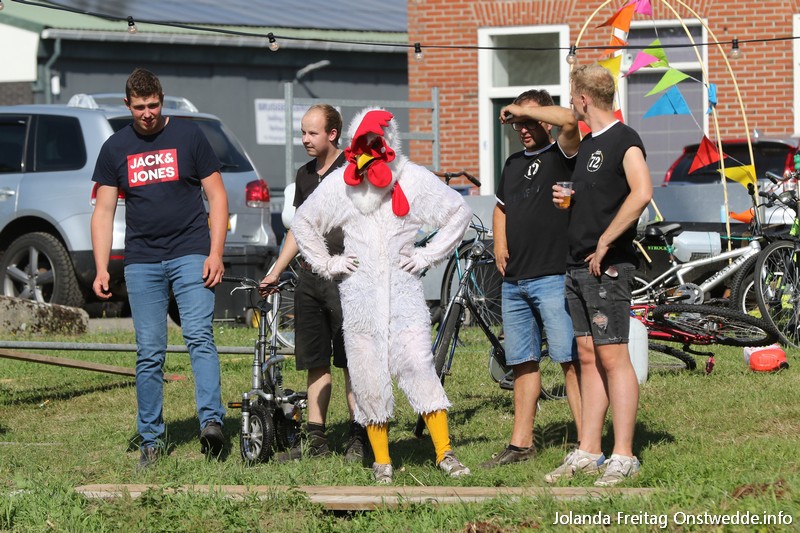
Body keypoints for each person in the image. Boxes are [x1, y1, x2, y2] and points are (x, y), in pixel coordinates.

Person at [290, 108, 472, 484]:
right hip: (359, 299)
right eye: (364, 142)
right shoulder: (342, 183)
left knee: (419, 366)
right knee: (368, 376)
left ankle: (444, 452)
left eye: (377, 141)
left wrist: (427, 255)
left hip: (404, 295)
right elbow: (303, 221)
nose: (371, 149)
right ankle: (382, 461)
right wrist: (328, 263)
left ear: (389, 142)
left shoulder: (411, 178)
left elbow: (458, 211)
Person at [91, 68, 228, 468]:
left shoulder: (189, 136)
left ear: (162, 99)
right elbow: (103, 212)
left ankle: (212, 424)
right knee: (150, 352)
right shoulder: (115, 147)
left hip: (191, 251)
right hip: (142, 260)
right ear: (127, 105)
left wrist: (215, 253)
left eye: (153, 105)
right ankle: (150, 440)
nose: (148, 113)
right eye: (140, 107)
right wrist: (102, 267)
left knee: (199, 336)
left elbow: (217, 196)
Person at [545, 64, 653, 486]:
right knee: (588, 356)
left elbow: (642, 192)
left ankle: (624, 455)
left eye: (572, 95)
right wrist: (568, 203)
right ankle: (590, 450)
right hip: (577, 265)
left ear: (584, 98)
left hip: (606, 265)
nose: (571, 103)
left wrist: (607, 239)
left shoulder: (626, 139)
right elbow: (599, 199)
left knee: (613, 356)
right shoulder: (589, 144)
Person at [481, 89, 582, 469]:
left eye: (530, 121)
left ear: (546, 120)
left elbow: (570, 121)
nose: (522, 128)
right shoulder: (512, 164)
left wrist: (519, 109)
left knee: (569, 360)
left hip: (554, 275)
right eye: (518, 124)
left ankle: (587, 443)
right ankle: (521, 444)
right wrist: (499, 244)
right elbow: (501, 208)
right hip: (515, 281)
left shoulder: (564, 154)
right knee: (522, 362)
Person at [259, 104, 366, 462]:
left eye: (312, 133)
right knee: (315, 360)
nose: (305, 139)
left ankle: (359, 436)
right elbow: (299, 228)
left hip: (346, 279)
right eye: (303, 132)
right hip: (308, 278)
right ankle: (315, 440)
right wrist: (276, 270)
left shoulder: (353, 170)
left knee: (352, 361)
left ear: (332, 134)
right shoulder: (304, 175)